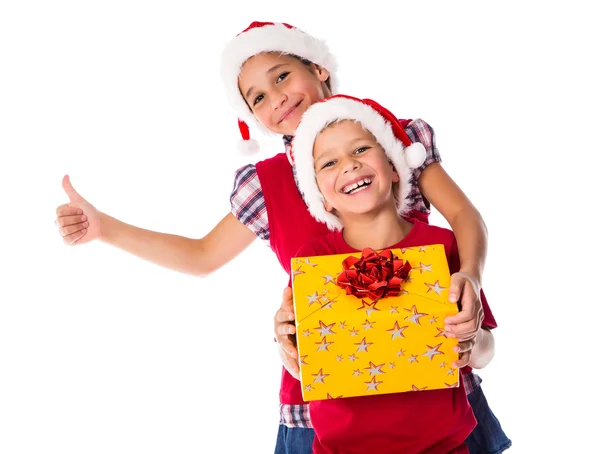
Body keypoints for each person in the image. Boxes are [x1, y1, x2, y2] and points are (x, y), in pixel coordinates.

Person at [54, 21, 509, 454]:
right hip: (328, 408)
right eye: (257, 97)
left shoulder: (389, 139)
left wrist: (468, 276)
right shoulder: (266, 184)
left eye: (282, 76)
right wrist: (105, 228)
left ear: (318, 68)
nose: (277, 98)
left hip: (429, 391)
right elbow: (201, 256)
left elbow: (464, 216)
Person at [285, 93, 498, 453]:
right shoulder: (311, 259)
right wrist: (286, 343)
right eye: (329, 163)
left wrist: (472, 340)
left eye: (361, 150)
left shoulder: (442, 246)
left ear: (395, 166)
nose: (349, 166)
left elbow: (486, 351)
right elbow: (301, 366)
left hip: (442, 447)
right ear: (321, 196)